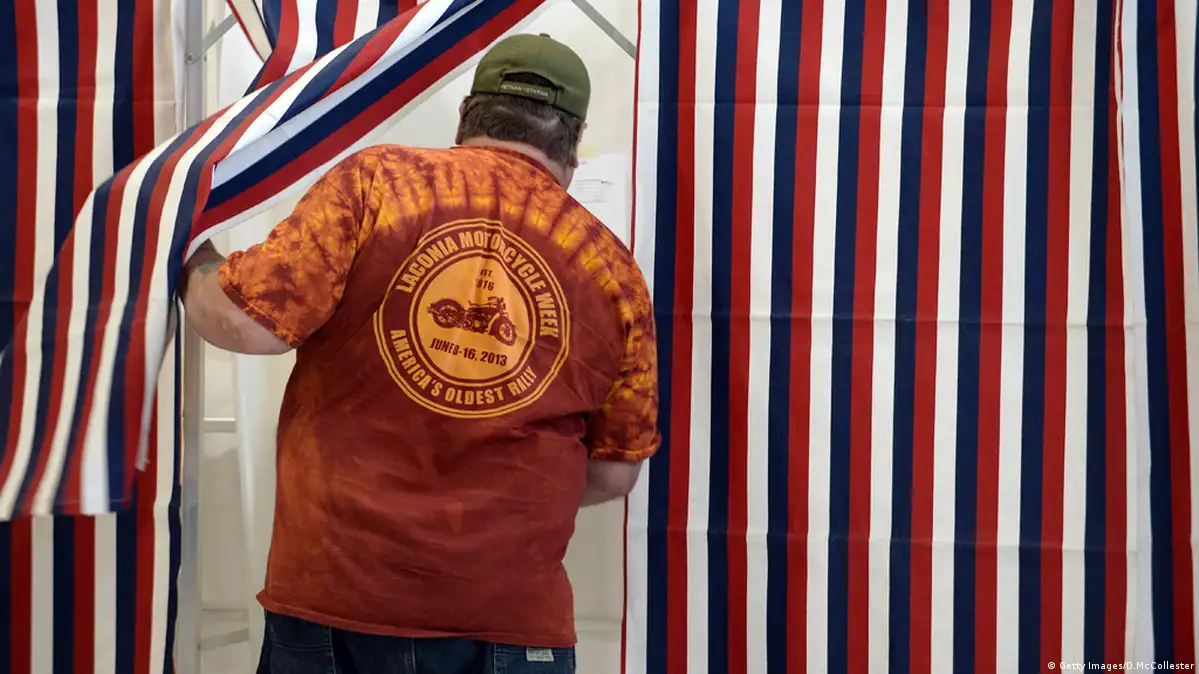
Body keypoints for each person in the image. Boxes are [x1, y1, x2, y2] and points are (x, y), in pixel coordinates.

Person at [181, 33, 659, 674]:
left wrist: (192, 255)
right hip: (511, 619)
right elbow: (615, 472)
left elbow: (245, 322)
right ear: (573, 143)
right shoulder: (613, 270)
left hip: (338, 598)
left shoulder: (377, 184)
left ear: (466, 115)